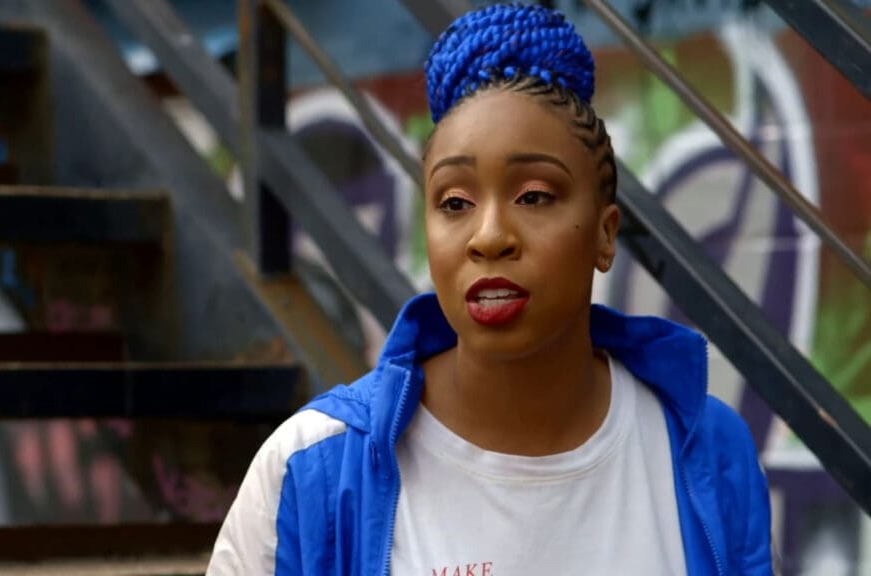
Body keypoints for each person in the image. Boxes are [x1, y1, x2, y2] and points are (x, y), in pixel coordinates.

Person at [207, 3, 772, 575]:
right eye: (455, 203)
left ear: (605, 235)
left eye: (534, 196)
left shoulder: (708, 449)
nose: (490, 236)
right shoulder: (311, 468)